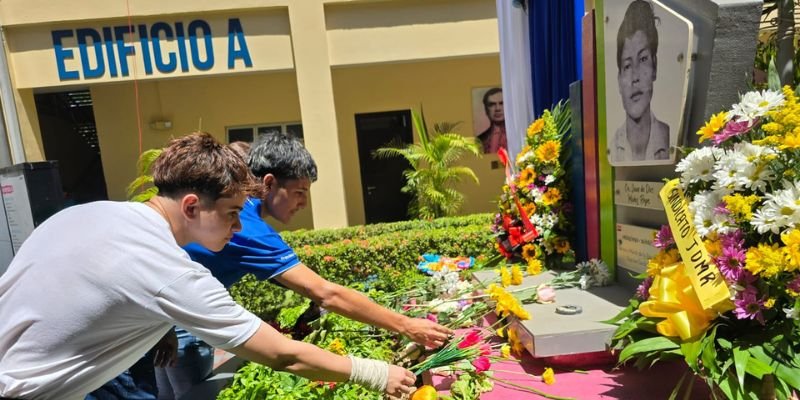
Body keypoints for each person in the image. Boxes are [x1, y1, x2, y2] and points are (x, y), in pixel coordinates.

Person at [0, 132, 415, 400]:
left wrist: (156, 326)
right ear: (193, 206)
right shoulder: (170, 268)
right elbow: (282, 356)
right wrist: (375, 373)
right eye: (233, 213)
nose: (238, 227)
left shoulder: (83, 214)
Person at [157, 132, 452, 397]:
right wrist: (406, 325)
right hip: (179, 325)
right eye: (300, 192)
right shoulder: (247, 228)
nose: (304, 203)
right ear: (269, 183)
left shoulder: (241, 216)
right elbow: (326, 293)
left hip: (166, 321)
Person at [611, 0, 670, 163]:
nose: (635, 77)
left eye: (643, 59)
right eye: (627, 66)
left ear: (655, 67)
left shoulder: (669, 139)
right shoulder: (611, 147)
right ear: (619, 80)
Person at [476, 87, 507, 154]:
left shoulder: (519, 136)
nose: (497, 109)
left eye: (501, 103)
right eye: (492, 105)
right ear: (486, 110)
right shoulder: (479, 140)